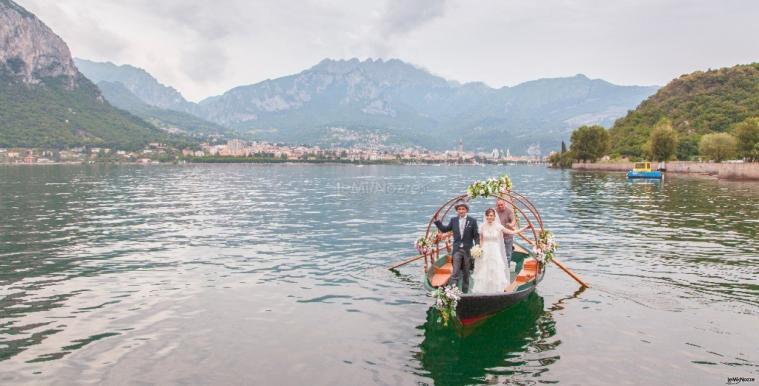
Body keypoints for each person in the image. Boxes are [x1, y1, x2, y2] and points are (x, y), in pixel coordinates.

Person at [472, 208, 530, 293]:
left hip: (495, 250)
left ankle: (496, 289)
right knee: (485, 268)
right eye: (488, 215)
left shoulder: (498, 226)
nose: (489, 217)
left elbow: (511, 232)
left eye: (491, 215)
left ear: (494, 216)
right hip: (485, 250)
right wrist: (479, 249)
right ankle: (484, 289)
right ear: (486, 216)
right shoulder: (482, 226)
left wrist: (524, 228)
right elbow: (481, 239)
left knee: (496, 268)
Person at [433, 199, 478, 293]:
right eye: (459, 209)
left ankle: (465, 292)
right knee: (455, 273)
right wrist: (437, 221)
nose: (461, 211)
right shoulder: (453, 220)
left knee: (466, 273)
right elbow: (445, 229)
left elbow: (476, 236)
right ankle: (453, 293)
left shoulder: (472, 221)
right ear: (457, 210)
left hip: (467, 250)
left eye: (463, 209)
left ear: (466, 210)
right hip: (457, 250)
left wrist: (477, 247)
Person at [495, 197, 516, 272]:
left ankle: (506, 269)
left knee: (507, 254)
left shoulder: (509, 211)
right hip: (497, 236)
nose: (500, 206)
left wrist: (511, 225)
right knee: (498, 253)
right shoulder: (495, 212)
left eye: (501, 205)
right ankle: (498, 269)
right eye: (498, 205)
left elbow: (513, 220)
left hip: (507, 236)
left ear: (504, 204)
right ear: (496, 205)